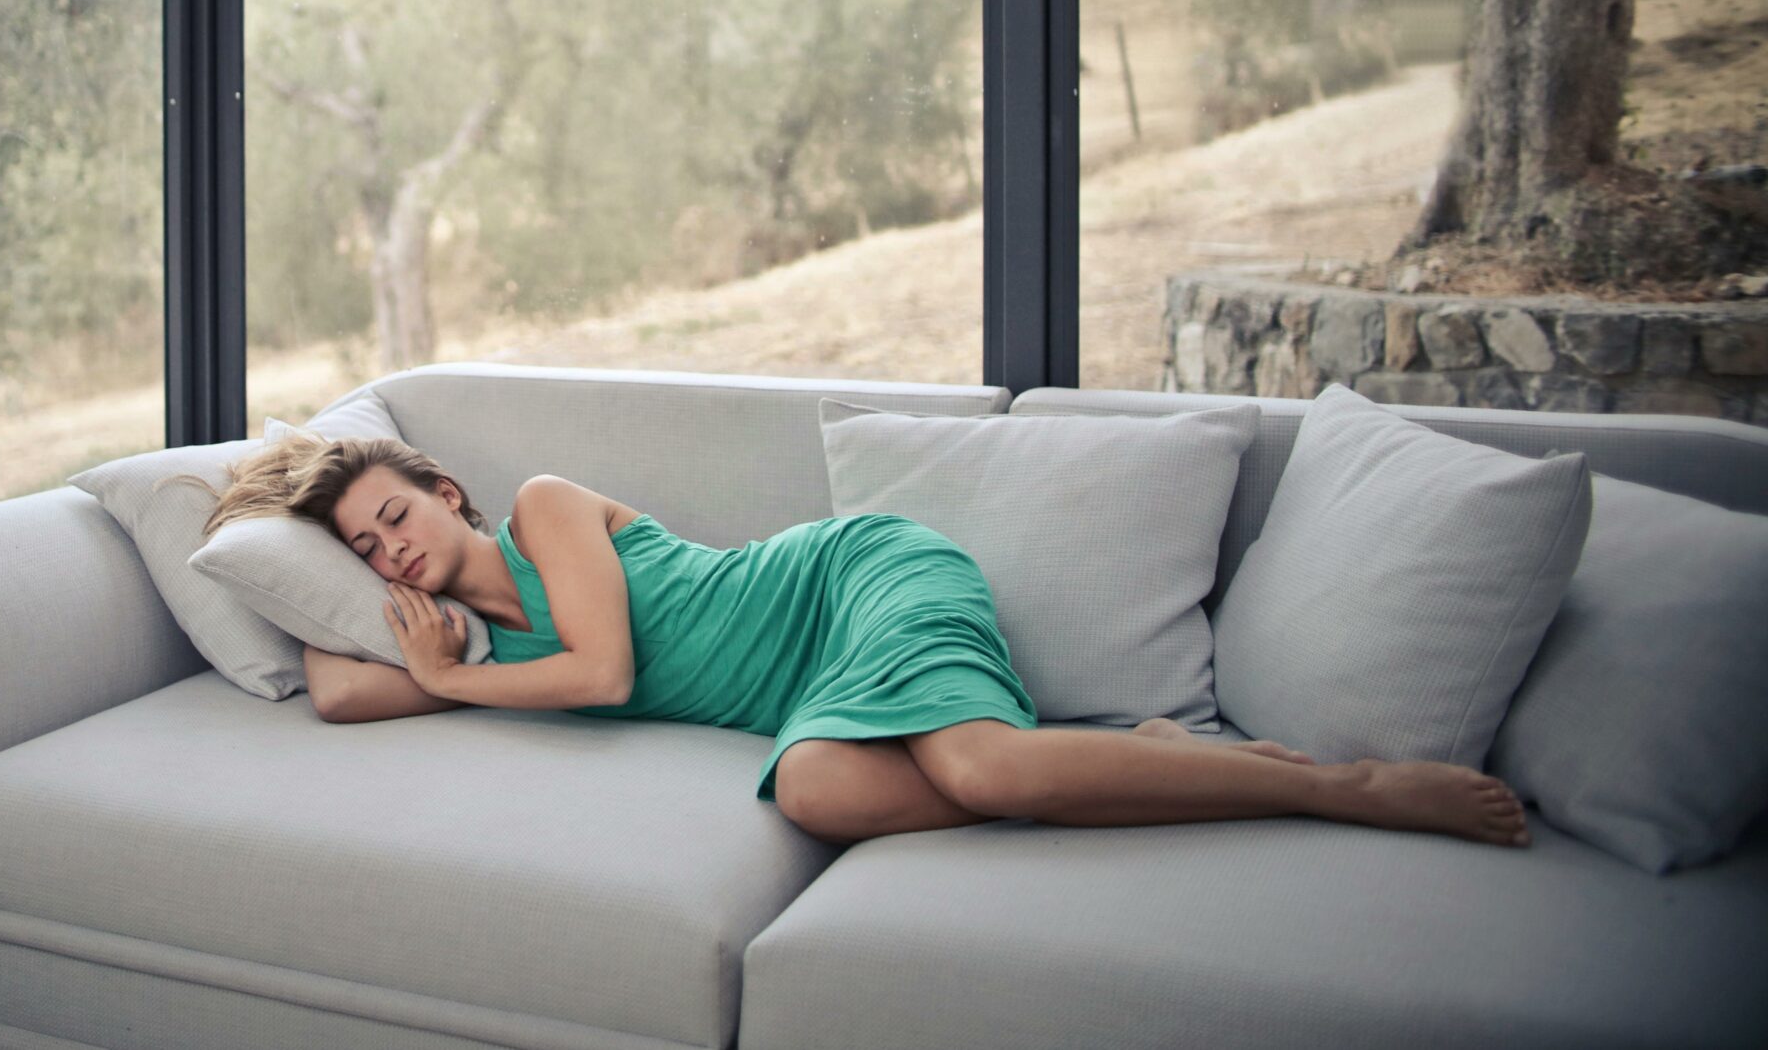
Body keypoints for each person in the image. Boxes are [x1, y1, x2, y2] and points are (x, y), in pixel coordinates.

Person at [174, 432, 1532, 848]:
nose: (391, 552)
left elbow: (610, 676)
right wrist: (267, 537)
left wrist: (450, 682)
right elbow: (346, 697)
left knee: (982, 778)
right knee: (818, 794)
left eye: (394, 516)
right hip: (810, 696)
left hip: (845, 583)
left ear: (444, 491)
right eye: (365, 548)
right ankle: (1133, 755)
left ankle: (1334, 789)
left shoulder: (542, 510)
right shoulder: (462, 656)